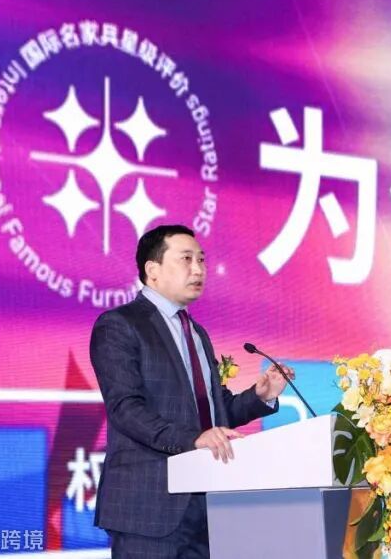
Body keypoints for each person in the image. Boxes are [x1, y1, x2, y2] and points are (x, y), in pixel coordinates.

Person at [89, 224, 294, 557]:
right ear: (152, 270)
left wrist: (260, 395)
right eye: (186, 259)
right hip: (150, 507)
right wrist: (193, 439)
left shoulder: (196, 332)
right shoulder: (121, 324)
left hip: (207, 503)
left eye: (201, 260)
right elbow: (125, 408)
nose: (198, 269)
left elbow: (214, 413)